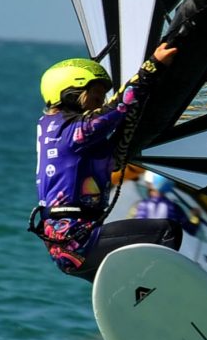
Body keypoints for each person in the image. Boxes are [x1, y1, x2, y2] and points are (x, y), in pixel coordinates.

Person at [33, 45, 180, 282]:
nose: (101, 101)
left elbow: (113, 152)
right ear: (71, 93)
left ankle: (134, 297)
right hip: (81, 241)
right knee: (166, 232)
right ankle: (155, 292)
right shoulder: (74, 132)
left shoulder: (50, 126)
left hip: (68, 244)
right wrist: (153, 66)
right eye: (96, 95)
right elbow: (119, 107)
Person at [133, 174, 201, 236]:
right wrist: (196, 216)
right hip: (163, 247)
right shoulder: (174, 207)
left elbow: (132, 227)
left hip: (141, 243)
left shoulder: (140, 205)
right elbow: (191, 229)